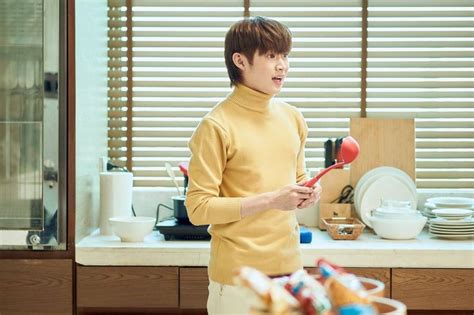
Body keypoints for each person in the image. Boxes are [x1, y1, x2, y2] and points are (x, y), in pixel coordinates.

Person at [185, 16, 321, 314]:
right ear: (240, 61)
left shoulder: (293, 117)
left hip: (291, 273)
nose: (282, 65)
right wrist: (273, 200)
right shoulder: (216, 126)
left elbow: (298, 177)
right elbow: (197, 208)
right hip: (238, 281)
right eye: (271, 56)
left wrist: (309, 190)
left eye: (285, 55)